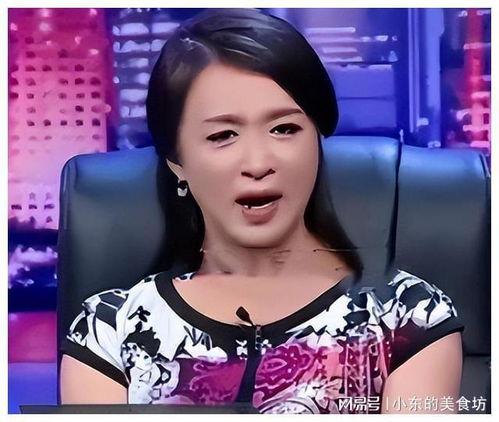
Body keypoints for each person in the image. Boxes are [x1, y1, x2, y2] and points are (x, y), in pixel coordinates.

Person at [59, 8, 464, 414]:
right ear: (176, 162)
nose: (257, 163)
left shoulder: (409, 318)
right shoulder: (109, 332)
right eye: (223, 135)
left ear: (317, 141)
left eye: (284, 129)